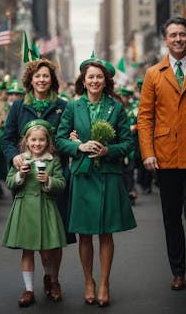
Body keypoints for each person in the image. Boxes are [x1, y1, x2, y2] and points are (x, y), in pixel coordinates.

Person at [55, 58, 137, 307]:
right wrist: (78, 145)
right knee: (84, 235)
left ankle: (104, 283)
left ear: (106, 81)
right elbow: (59, 140)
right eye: (90, 77)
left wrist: (107, 151)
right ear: (83, 80)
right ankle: (88, 281)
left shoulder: (116, 108)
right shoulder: (73, 107)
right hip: (83, 175)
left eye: (99, 77)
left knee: (105, 234)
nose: (94, 81)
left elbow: (128, 143)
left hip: (108, 175)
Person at [1, 58, 76, 301]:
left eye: (46, 76)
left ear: (52, 80)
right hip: (26, 177)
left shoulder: (63, 106)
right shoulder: (18, 106)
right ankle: (29, 287)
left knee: (56, 235)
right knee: (28, 240)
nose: (42, 80)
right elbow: (7, 139)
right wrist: (14, 158)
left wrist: (72, 139)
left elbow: (66, 138)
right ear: (30, 80)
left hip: (55, 176)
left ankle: (53, 280)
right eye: (37, 76)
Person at [138, 16, 186, 295]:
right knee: (172, 218)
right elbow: (145, 117)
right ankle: (178, 272)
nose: (178, 39)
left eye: (182, 34)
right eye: (173, 35)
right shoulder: (153, 74)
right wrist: (147, 152)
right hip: (166, 157)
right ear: (165, 40)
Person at [2, 119, 67, 307]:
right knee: (27, 250)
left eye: (41, 140)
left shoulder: (52, 161)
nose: (37, 143)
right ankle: (28, 289)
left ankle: (49, 278)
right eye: (33, 140)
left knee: (47, 252)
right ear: (26, 141)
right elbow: (9, 183)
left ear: (47, 142)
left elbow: (61, 184)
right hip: (24, 210)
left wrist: (48, 180)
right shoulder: (20, 160)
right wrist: (20, 174)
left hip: (45, 209)